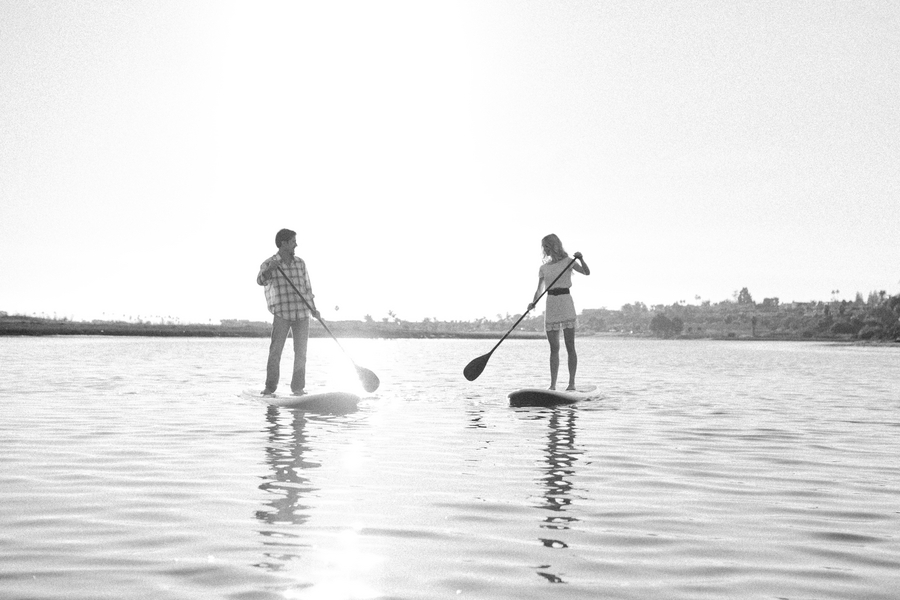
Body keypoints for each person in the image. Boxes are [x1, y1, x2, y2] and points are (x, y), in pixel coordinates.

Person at [257, 228, 320, 396]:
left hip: (302, 314)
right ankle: (270, 388)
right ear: (283, 243)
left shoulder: (300, 263)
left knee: (301, 354)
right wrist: (271, 269)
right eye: (293, 241)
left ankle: (298, 389)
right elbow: (260, 280)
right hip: (282, 314)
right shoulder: (269, 263)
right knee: (276, 351)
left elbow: (307, 287)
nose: (296, 244)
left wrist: (313, 308)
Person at [527, 234, 590, 391]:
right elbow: (539, 289)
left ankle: (571, 384)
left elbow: (586, 272)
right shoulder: (543, 268)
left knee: (570, 345)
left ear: (554, 246)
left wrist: (581, 258)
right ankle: (553, 385)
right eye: (543, 247)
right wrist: (533, 302)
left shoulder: (569, 261)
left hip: (565, 301)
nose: (545, 249)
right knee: (554, 348)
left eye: (547, 246)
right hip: (551, 304)